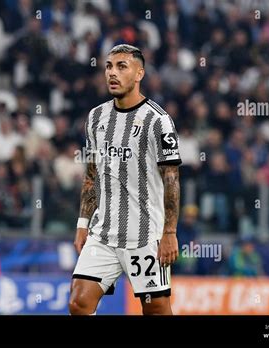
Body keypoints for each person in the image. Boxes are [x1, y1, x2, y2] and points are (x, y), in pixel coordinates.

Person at [69, 44, 182, 315]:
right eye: (109, 66)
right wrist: (83, 223)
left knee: (156, 309)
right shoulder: (96, 117)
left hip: (145, 237)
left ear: (139, 73)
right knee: (79, 302)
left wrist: (169, 232)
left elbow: (171, 179)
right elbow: (92, 175)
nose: (112, 73)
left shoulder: (158, 121)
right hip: (104, 233)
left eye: (122, 66)